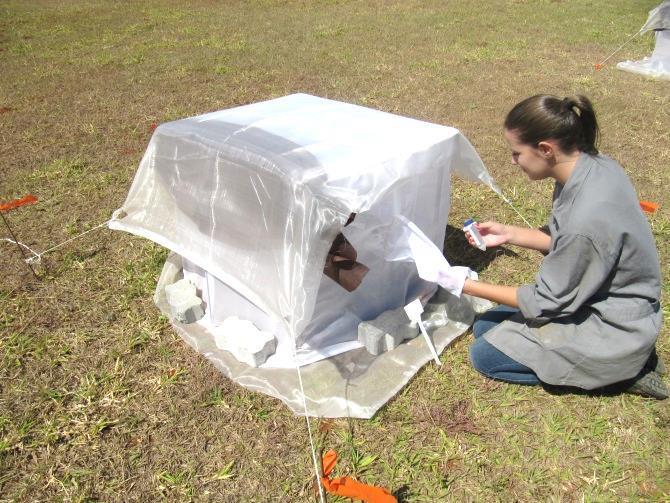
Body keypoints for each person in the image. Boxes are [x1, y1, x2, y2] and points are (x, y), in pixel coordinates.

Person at [460, 94, 667, 399]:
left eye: (517, 153)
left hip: (613, 325)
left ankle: (618, 374)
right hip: (602, 298)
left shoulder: (588, 215)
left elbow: (545, 301)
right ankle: (623, 361)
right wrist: (508, 233)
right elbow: (568, 240)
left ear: (545, 149)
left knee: (484, 354)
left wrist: (463, 284)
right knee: (485, 325)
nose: (512, 161)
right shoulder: (593, 166)